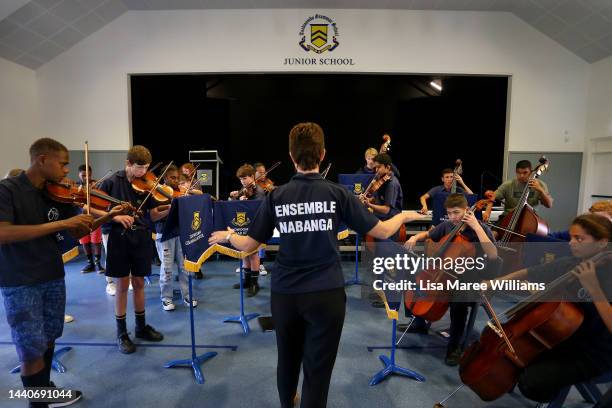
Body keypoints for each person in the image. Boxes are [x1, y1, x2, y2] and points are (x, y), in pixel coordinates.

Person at [209, 122, 424, 408]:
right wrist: (407, 215)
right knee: (318, 371)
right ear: (322, 155)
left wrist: (227, 235)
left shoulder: (276, 196)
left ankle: (288, 403)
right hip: (327, 294)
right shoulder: (338, 194)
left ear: (291, 156)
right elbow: (383, 231)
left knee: (287, 360)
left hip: (285, 294)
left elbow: (248, 245)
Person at [0, 138, 129, 407]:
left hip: (52, 276)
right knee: (30, 349)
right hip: (21, 281)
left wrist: (107, 216)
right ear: (42, 160)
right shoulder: (7, 190)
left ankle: (45, 391)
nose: (67, 172)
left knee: (48, 340)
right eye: (63, 164)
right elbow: (3, 233)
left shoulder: (57, 193)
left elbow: (76, 230)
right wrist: (61, 222)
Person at [488, 213, 612, 403]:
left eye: (579, 239)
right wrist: (495, 281)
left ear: (603, 243)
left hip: (595, 351)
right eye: (571, 237)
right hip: (564, 338)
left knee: (532, 381)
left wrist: (594, 289)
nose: (571, 243)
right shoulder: (574, 263)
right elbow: (531, 272)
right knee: (516, 357)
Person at [405, 193, 499, 366]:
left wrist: (476, 226)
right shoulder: (448, 225)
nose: (452, 217)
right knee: (414, 279)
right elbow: (431, 234)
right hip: (446, 274)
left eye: (456, 212)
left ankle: (454, 346)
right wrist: (415, 237)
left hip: (472, 276)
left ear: (466, 210)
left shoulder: (481, 228)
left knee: (459, 301)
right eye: (449, 213)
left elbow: (493, 254)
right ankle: (418, 322)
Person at [98, 145, 167, 354]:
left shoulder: (145, 185)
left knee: (139, 283)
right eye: (139, 167)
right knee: (121, 285)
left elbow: (153, 215)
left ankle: (141, 327)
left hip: (142, 236)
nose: (143, 172)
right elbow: (90, 207)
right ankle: (121, 333)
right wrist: (115, 216)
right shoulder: (111, 182)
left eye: (146, 167)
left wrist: (172, 207)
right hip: (119, 238)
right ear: (128, 163)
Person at [154, 165, 198, 311]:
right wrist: (170, 208)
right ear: (165, 178)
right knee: (166, 268)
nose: (176, 180)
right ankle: (166, 298)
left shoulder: (180, 193)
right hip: (164, 234)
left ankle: (187, 295)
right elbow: (154, 215)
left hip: (181, 233)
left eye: (177, 178)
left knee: (185, 267)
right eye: (172, 178)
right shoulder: (157, 193)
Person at [229, 163, 267, 297]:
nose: (242, 182)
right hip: (245, 226)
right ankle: (246, 281)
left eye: (244, 178)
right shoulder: (244, 189)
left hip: (256, 226)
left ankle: (254, 283)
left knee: (254, 254)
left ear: (252, 176)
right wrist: (235, 198)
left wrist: (246, 201)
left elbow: (257, 209)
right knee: (245, 252)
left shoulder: (259, 191)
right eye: (240, 179)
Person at [486, 159, 553, 221]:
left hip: (529, 220)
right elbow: (492, 196)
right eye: (518, 172)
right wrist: (487, 211)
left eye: (525, 173)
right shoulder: (508, 184)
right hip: (508, 218)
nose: (521, 176)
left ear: (531, 172)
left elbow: (549, 205)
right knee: (493, 233)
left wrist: (541, 190)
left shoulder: (540, 185)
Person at [76, 164, 104, 273]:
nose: (86, 178)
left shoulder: (97, 184)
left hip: (94, 218)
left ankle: (98, 264)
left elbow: (101, 200)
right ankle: (90, 264)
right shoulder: (76, 186)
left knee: (96, 241)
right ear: (79, 175)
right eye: (83, 175)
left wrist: (95, 191)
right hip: (81, 218)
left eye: (88, 175)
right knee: (85, 242)